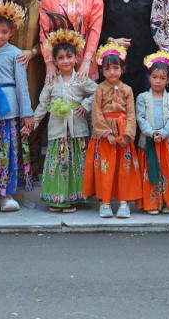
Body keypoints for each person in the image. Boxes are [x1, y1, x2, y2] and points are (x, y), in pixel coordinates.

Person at [32, 25, 97, 212]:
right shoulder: (51, 81)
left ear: (77, 58)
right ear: (54, 61)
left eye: (69, 57)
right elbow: (43, 104)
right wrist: (34, 123)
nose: (66, 61)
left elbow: (98, 91)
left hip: (77, 132)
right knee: (58, 165)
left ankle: (72, 199)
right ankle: (57, 199)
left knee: (75, 164)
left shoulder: (81, 79)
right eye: (61, 58)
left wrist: (85, 105)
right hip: (58, 132)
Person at [0, 0, 33, 213]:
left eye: (5, 31)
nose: (0, 35)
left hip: (9, 109)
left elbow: (22, 86)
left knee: (6, 151)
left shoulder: (16, 54)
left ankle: (6, 194)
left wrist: (27, 113)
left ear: (11, 32)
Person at [84, 43, 144, 219]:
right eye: (107, 69)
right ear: (102, 71)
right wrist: (107, 133)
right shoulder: (99, 89)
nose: (112, 72)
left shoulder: (127, 90)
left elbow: (131, 113)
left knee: (123, 169)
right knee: (106, 169)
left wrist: (128, 135)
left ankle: (124, 202)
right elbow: (96, 112)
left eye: (116, 68)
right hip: (105, 138)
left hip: (122, 135)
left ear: (122, 69)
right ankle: (105, 202)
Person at [99, 0, 157, 96]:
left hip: (139, 58)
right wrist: (110, 40)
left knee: (136, 101)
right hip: (111, 59)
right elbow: (95, 25)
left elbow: (152, 25)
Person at [39, 0, 104, 79]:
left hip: (85, 58)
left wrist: (86, 61)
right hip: (58, 61)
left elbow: (95, 30)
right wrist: (49, 62)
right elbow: (44, 31)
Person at [136, 51, 169, 215]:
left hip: (167, 142)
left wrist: (162, 133)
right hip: (149, 142)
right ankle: (152, 203)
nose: (158, 81)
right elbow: (140, 118)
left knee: (166, 172)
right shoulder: (142, 97)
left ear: (168, 80)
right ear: (149, 77)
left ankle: (167, 201)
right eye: (155, 77)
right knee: (150, 173)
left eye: (162, 78)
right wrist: (151, 133)